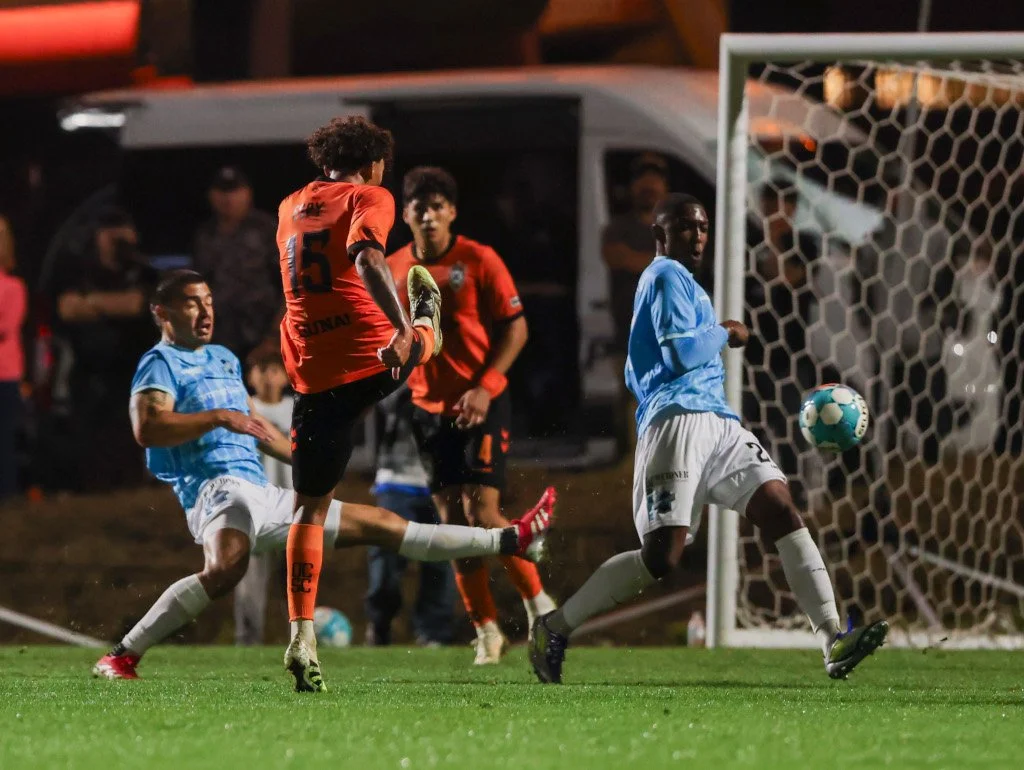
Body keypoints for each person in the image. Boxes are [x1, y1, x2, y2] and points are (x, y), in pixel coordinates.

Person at [91, 270, 554, 682]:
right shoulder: (160, 362)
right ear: (162, 312)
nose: (205, 310)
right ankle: (122, 654)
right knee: (227, 566)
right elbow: (147, 428)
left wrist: (311, 462)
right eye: (192, 302)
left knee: (383, 525)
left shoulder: (225, 359)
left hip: (261, 491)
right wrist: (216, 418)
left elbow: (259, 429)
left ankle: (510, 540)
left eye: (209, 300)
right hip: (214, 489)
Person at [529, 194, 889, 684]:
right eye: (685, 226)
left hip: (718, 422)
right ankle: (554, 626)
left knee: (781, 507)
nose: (697, 235)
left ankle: (832, 638)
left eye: (701, 227)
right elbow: (680, 357)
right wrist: (724, 332)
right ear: (661, 233)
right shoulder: (663, 277)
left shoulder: (687, 284)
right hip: (675, 420)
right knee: (661, 557)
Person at [276, 116, 447, 692]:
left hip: (311, 373)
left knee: (309, 511)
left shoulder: (289, 205)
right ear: (375, 163)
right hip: (362, 356)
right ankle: (428, 327)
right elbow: (369, 256)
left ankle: (301, 632)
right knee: (415, 345)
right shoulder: (369, 195)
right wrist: (401, 328)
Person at [389, 167, 557, 665]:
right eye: (419, 204)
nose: (428, 212)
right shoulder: (395, 267)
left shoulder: (479, 259)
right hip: (426, 407)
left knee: (481, 513)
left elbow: (517, 330)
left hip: (479, 402)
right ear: (406, 214)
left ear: (452, 213)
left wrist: (485, 387)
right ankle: (486, 630)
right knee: (450, 524)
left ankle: (539, 607)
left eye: (438, 204)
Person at [54, 205, 157, 491]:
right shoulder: (79, 268)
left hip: (129, 370)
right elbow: (67, 308)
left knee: (127, 438)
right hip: (89, 370)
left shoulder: (142, 270)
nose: (117, 238)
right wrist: (113, 304)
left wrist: (93, 303)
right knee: (90, 441)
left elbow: (138, 303)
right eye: (109, 232)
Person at [365, 385, 455, 647]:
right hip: (396, 480)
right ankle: (380, 622)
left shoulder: (452, 370)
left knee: (441, 559)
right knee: (386, 559)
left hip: (442, 482)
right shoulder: (401, 367)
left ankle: (433, 632)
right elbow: (387, 402)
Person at [602, 153, 670, 452]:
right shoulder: (617, 227)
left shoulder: (673, 226)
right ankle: (629, 468)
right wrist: (660, 262)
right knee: (629, 404)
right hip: (628, 335)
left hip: (668, 336)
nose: (648, 185)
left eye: (655, 179)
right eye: (642, 179)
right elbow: (617, 256)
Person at [233, 347, 294, 646]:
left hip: (292, 506)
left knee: (295, 580)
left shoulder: (297, 409)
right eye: (260, 369)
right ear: (250, 377)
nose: (268, 377)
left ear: (285, 375)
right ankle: (248, 642)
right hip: (255, 509)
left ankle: (300, 640)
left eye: (274, 369)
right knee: (249, 584)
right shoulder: (243, 411)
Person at [193, 167, 281, 366]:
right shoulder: (205, 235)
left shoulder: (267, 230)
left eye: (234, 191)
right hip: (220, 339)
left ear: (247, 193)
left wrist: (274, 337)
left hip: (262, 337)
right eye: (222, 191)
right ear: (212, 196)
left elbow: (289, 286)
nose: (228, 198)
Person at [0, 215, 26, 501]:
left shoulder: (13, 287)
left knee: (4, 440)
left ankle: (7, 496)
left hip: (4, 375)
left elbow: (5, 327)